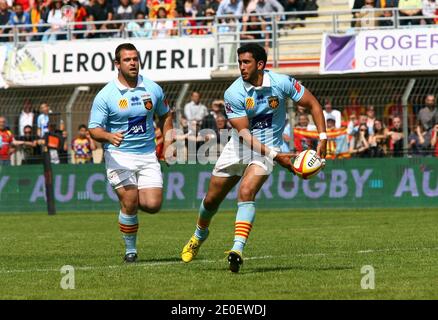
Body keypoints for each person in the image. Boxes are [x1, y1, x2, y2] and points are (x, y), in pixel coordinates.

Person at [180, 43, 327, 273]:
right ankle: (199, 236)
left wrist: (323, 137)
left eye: (246, 62)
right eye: (239, 62)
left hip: (269, 148)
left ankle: (237, 250)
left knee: (246, 192)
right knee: (210, 201)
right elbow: (244, 134)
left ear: (260, 64)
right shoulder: (233, 93)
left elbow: (313, 104)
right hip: (239, 148)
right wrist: (277, 155)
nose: (241, 67)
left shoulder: (281, 83)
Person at [88, 43, 173, 263]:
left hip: (147, 154)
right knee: (130, 201)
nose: (133, 63)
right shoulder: (105, 95)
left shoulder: (153, 88)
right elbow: (93, 129)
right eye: (127, 60)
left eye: (135, 58)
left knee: (153, 205)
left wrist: (170, 142)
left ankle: (132, 204)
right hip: (119, 155)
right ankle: (130, 250)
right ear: (117, 64)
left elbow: (165, 114)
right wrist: (108, 136)